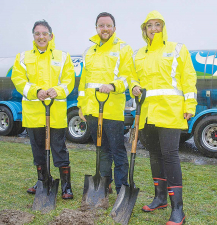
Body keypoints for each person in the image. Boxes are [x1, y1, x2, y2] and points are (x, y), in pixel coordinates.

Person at [132, 11, 197, 225]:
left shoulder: (177, 49)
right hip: (147, 113)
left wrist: (190, 104)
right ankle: (159, 198)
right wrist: (133, 85)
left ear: (163, 26)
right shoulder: (139, 53)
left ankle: (178, 210)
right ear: (144, 29)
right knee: (154, 155)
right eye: (149, 25)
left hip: (170, 111)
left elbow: (188, 77)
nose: (153, 28)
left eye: (157, 24)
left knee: (170, 156)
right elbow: (132, 76)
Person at [11, 20, 75, 200]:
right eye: (37, 34)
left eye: (44, 33)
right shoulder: (23, 57)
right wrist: (35, 91)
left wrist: (59, 90)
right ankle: (42, 180)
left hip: (55, 112)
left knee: (59, 149)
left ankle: (66, 185)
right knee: (38, 150)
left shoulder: (62, 57)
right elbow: (19, 80)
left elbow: (69, 80)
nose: (41, 37)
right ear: (33, 36)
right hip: (33, 112)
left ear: (50, 36)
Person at [77, 12, 138, 194]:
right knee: (101, 149)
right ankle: (105, 184)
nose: (105, 29)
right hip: (93, 110)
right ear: (96, 28)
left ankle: (121, 188)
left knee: (117, 150)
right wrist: (81, 105)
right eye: (101, 25)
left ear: (114, 28)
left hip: (112, 110)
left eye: (108, 25)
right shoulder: (89, 51)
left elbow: (127, 77)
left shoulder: (123, 48)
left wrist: (113, 86)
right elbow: (83, 83)